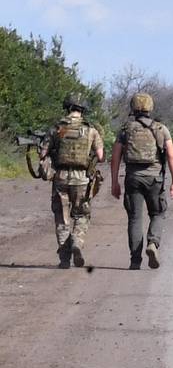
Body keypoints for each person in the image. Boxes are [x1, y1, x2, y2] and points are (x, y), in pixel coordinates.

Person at [111, 91, 173, 269]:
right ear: (150, 107)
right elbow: (172, 157)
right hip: (155, 179)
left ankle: (135, 261)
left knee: (134, 218)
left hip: (133, 179)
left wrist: (114, 182)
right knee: (158, 213)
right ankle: (153, 242)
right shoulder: (161, 129)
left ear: (133, 108)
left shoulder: (126, 129)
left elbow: (116, 157)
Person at [40, 94, 105, 268]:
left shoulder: (58, 128)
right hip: (82, 179)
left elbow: (42, 154)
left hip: (60, 177)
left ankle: (64, 259)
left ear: (68, 108)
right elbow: (100, 156)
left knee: (62, 218)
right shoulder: (91, 130)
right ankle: (77, 241)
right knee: (82, 214)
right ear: (82, 110)